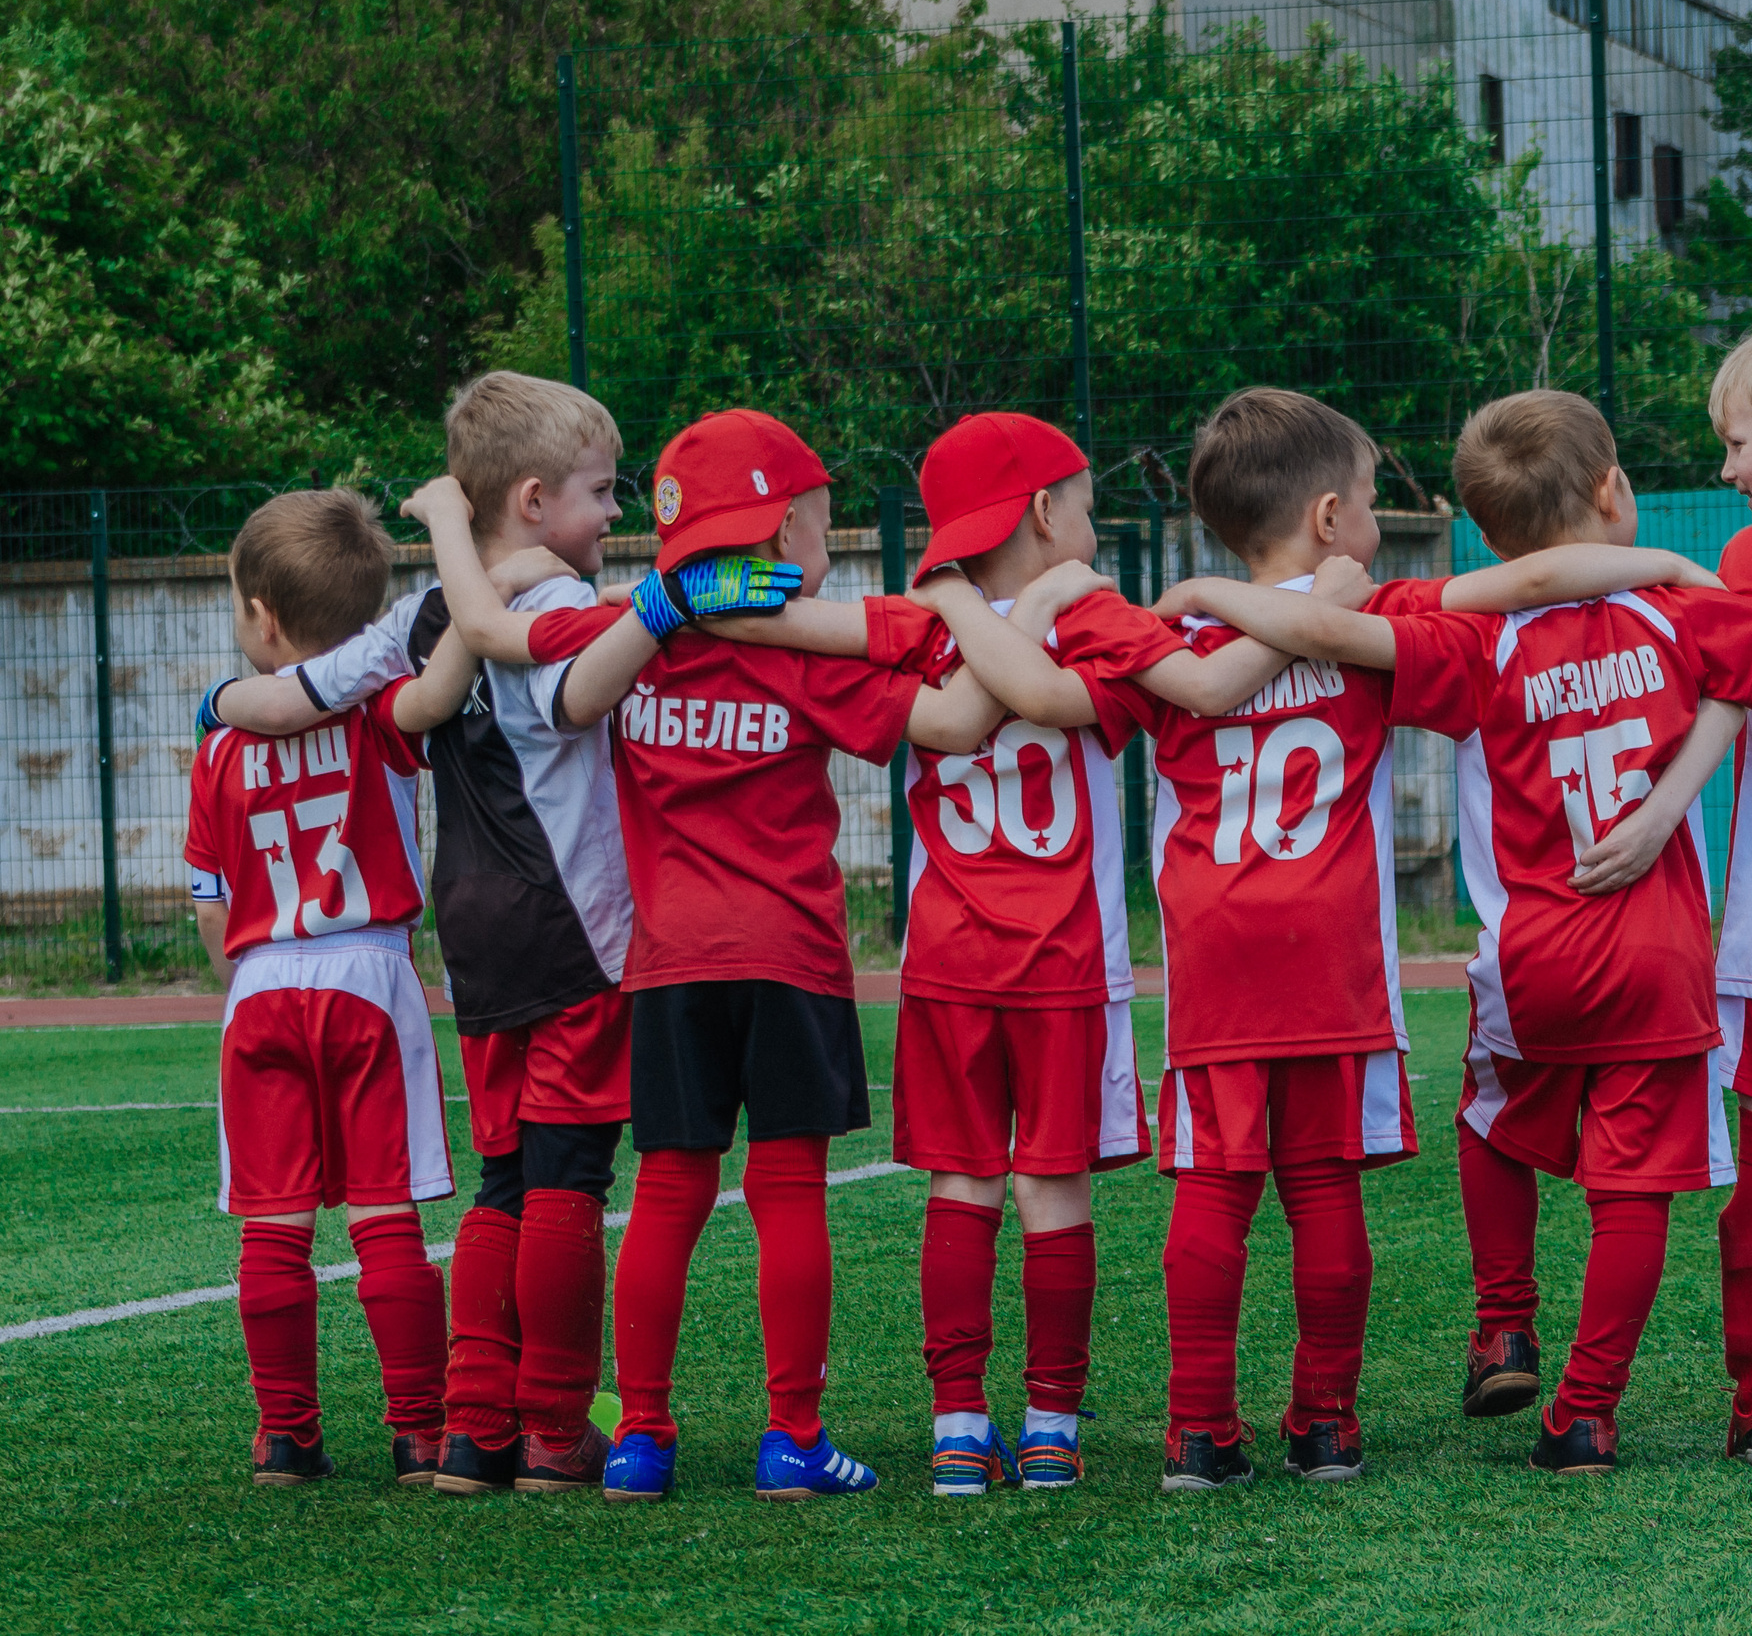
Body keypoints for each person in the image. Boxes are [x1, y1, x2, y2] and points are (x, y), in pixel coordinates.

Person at [1150, 388, 1752, 1473]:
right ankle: (1586, 1415)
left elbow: (1332, 629)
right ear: (1613, 491)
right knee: (1634, 1191)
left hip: (1532, 958)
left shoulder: (1462, 633)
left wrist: (1205, 596)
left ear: (1478, 528)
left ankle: (1502, 1319)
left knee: (1485, 1114)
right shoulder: (1684, 614)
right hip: (1659, 958)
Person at [693, 410, 1305, 1494]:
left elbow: (784, 631)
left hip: (946, 962)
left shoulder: (921, 616)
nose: (1093, 525)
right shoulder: (1097, 618)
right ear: (1038, 512)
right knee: (1052, 1193)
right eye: (1081, 504)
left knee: (963, 1188)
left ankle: (958, 1423)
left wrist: (673, 603)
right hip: (1062, 965)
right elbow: (1149, 693)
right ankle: (1051, 1421)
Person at [426, 407, 1007, 1501]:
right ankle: (792, 1439)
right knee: (787, 1193)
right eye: (823, 522)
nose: (826, 543)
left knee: (666, 1195)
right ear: (783, 529)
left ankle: (639, 1440)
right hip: (789, 955)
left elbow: (500, 633)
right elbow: (954, 717)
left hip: (666, 966)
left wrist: (463, 539)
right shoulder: (811, 657)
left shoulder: (630, 634)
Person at [207, 372, 694, 1495]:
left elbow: (294, 693)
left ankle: (472, 1427)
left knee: (504, 1180)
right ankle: (552, 1429)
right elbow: (572, 692)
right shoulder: (558, 610)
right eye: (599, 493)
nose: (614, 516)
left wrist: (215, 707)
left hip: (472, 934)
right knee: (570, 1176)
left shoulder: (418, 619)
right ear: (530, 501)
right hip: (572, 931)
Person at [185, 488, 480, 1487]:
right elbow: (436, 693)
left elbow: (210, 913)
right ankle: (420, 1431)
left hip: (261, 985)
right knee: (384, 1213)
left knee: (275, 1222)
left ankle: (286, 1437)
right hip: (368, 973)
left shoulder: (220, 746)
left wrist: (259, 969)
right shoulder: (377, 720)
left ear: (261, 616)